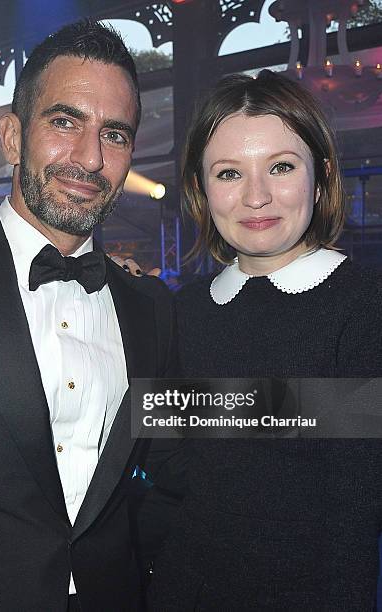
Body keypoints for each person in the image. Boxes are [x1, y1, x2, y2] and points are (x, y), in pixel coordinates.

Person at [0, 20, 184, 612]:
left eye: (115, 134)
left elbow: (169, 478)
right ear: (13, 137)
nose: (90, 157)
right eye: (65, 121)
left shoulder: (153, 309)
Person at [146, 71, 382, 610]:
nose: (256, 197)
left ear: (319, 177)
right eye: (229, 173)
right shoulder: (180, 313)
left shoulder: (369, 305)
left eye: (280, 166)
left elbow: (360, 489)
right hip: (182, 588)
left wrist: (207, 407)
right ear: (201, 190)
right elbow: (164, 458)